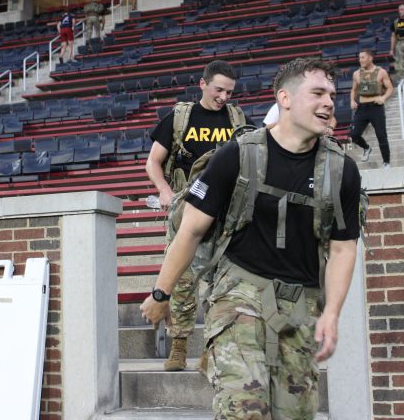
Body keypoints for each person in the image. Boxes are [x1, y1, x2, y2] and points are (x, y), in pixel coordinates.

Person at [140, 57, 361, 419]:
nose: (328, 103)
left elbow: (343, 248)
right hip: (239, 294)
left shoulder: (341, 170)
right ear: (285, 98)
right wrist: (161, 293)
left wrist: (332, 313)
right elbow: (191, 229)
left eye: (332, 95)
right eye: (317, 93)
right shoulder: (238, 155)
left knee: (295, 414)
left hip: (300, 303)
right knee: (245, 411)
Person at [145, 59, 248, 372]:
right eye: (218, 89)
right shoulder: (180, 117)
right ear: (202, 84)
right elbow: (153, 162)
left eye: (229, 91)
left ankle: (211, 349)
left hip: (226, 215)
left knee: (223, 284)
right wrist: (163, 190)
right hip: (187, 211)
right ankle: (178, 346)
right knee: (181, 282)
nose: (224, 97)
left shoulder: (237, 117)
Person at [350, 49, 393, 168]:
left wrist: (383, 98)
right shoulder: (356, 74)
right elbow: (353, 90)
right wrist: (352, 100)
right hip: (362, 107)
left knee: (381, 135)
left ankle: (386, 162)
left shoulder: (381, 72)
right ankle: (366, 148)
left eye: (362, 57)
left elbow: (390, 88)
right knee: (354, 135)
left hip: (376, 107)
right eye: (359, 58)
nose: (360, 60)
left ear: (370, 58)